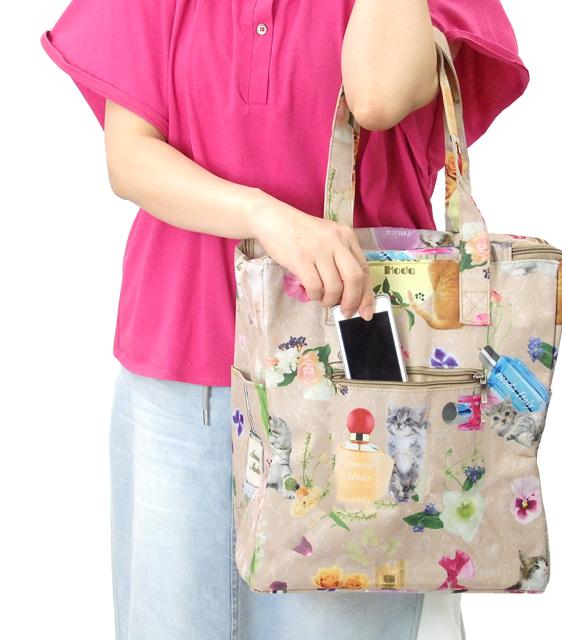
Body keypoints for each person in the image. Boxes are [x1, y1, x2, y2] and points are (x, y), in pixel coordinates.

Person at [39, 1, 529, 638]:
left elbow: (378, 97)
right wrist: (266, 217)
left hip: (360, 383)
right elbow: (129, 157)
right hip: (183, 362)